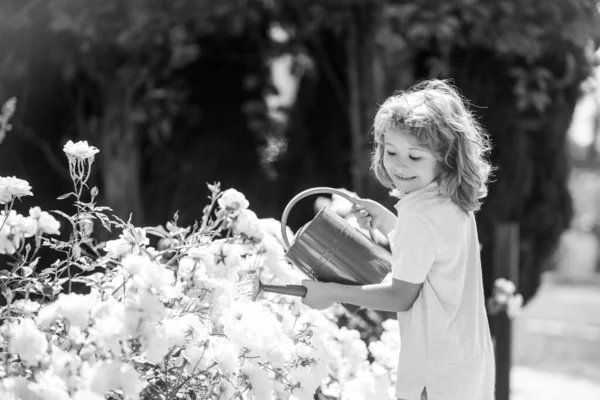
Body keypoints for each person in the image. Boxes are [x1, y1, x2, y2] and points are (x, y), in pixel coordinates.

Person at [301, 79, 495, 400]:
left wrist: (330, 292)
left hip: (434, 374)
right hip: (466, 364)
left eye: (415, 157)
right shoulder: (452, 201)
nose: (400, 165)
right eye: (391, 151)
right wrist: (391, 223)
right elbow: (432, 261)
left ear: (444, 157)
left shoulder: (418, 216)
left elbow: (400, 296)